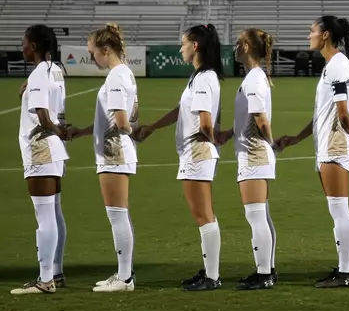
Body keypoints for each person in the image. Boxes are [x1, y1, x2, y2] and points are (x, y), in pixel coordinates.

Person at [133, 24, 224, 291]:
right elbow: (182, 111)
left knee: (203, 215)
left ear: (195, 46)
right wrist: (152, 127)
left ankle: (212, 276)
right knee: (204, 215)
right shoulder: (201, 77)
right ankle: (210, 271)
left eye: (183, 43)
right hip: (195, 154)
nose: (180, 48)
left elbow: (206, 121)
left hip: (197, 154)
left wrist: (211, 139)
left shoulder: (204, 78)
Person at [273, 16, 349, 289]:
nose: (308, 34)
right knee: (336, 210)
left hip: (335, 146)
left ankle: (345, 272)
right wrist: (297, 138)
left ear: (326, 35)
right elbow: (326, 113)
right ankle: (343, 269)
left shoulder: (338, 66)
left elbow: (343, 112)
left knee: (339, 209)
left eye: (312, 30)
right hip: (327, 145)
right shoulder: (331, 66)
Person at [68, 23, 139, 292]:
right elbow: (115, 120)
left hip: (114, 153)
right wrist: (84, 131)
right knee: (119, 215)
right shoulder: (124, 74)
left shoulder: (116, 77)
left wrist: (133, 133)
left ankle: (124, 278)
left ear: (105, 49)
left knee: (117, 215)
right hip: (116, 150)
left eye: (92, 52)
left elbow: (122, 122)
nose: (90, 57)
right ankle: (124, 274)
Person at [217, 28, 278, 290]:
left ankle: (263, 274)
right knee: (262, 215)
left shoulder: (254, 79)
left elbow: (260, 119)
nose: (234, 47)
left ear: (246, 47)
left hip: (253, 155)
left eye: (238, 43)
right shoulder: (255, 77)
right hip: (254, 153)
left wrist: (271, 141)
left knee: (255, 216)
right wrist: (231, 133)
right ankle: (268, 269)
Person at [11, 25, 69, 295]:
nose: (21, 47)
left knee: (44, 215)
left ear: (33, 46)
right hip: (53, 152)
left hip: (39, 149)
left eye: (24, 42)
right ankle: (55, 272)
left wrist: (59, 131)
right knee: (54, 213)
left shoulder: (38, 75)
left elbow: (44, 118)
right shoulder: (56, 69)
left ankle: (45, 280)